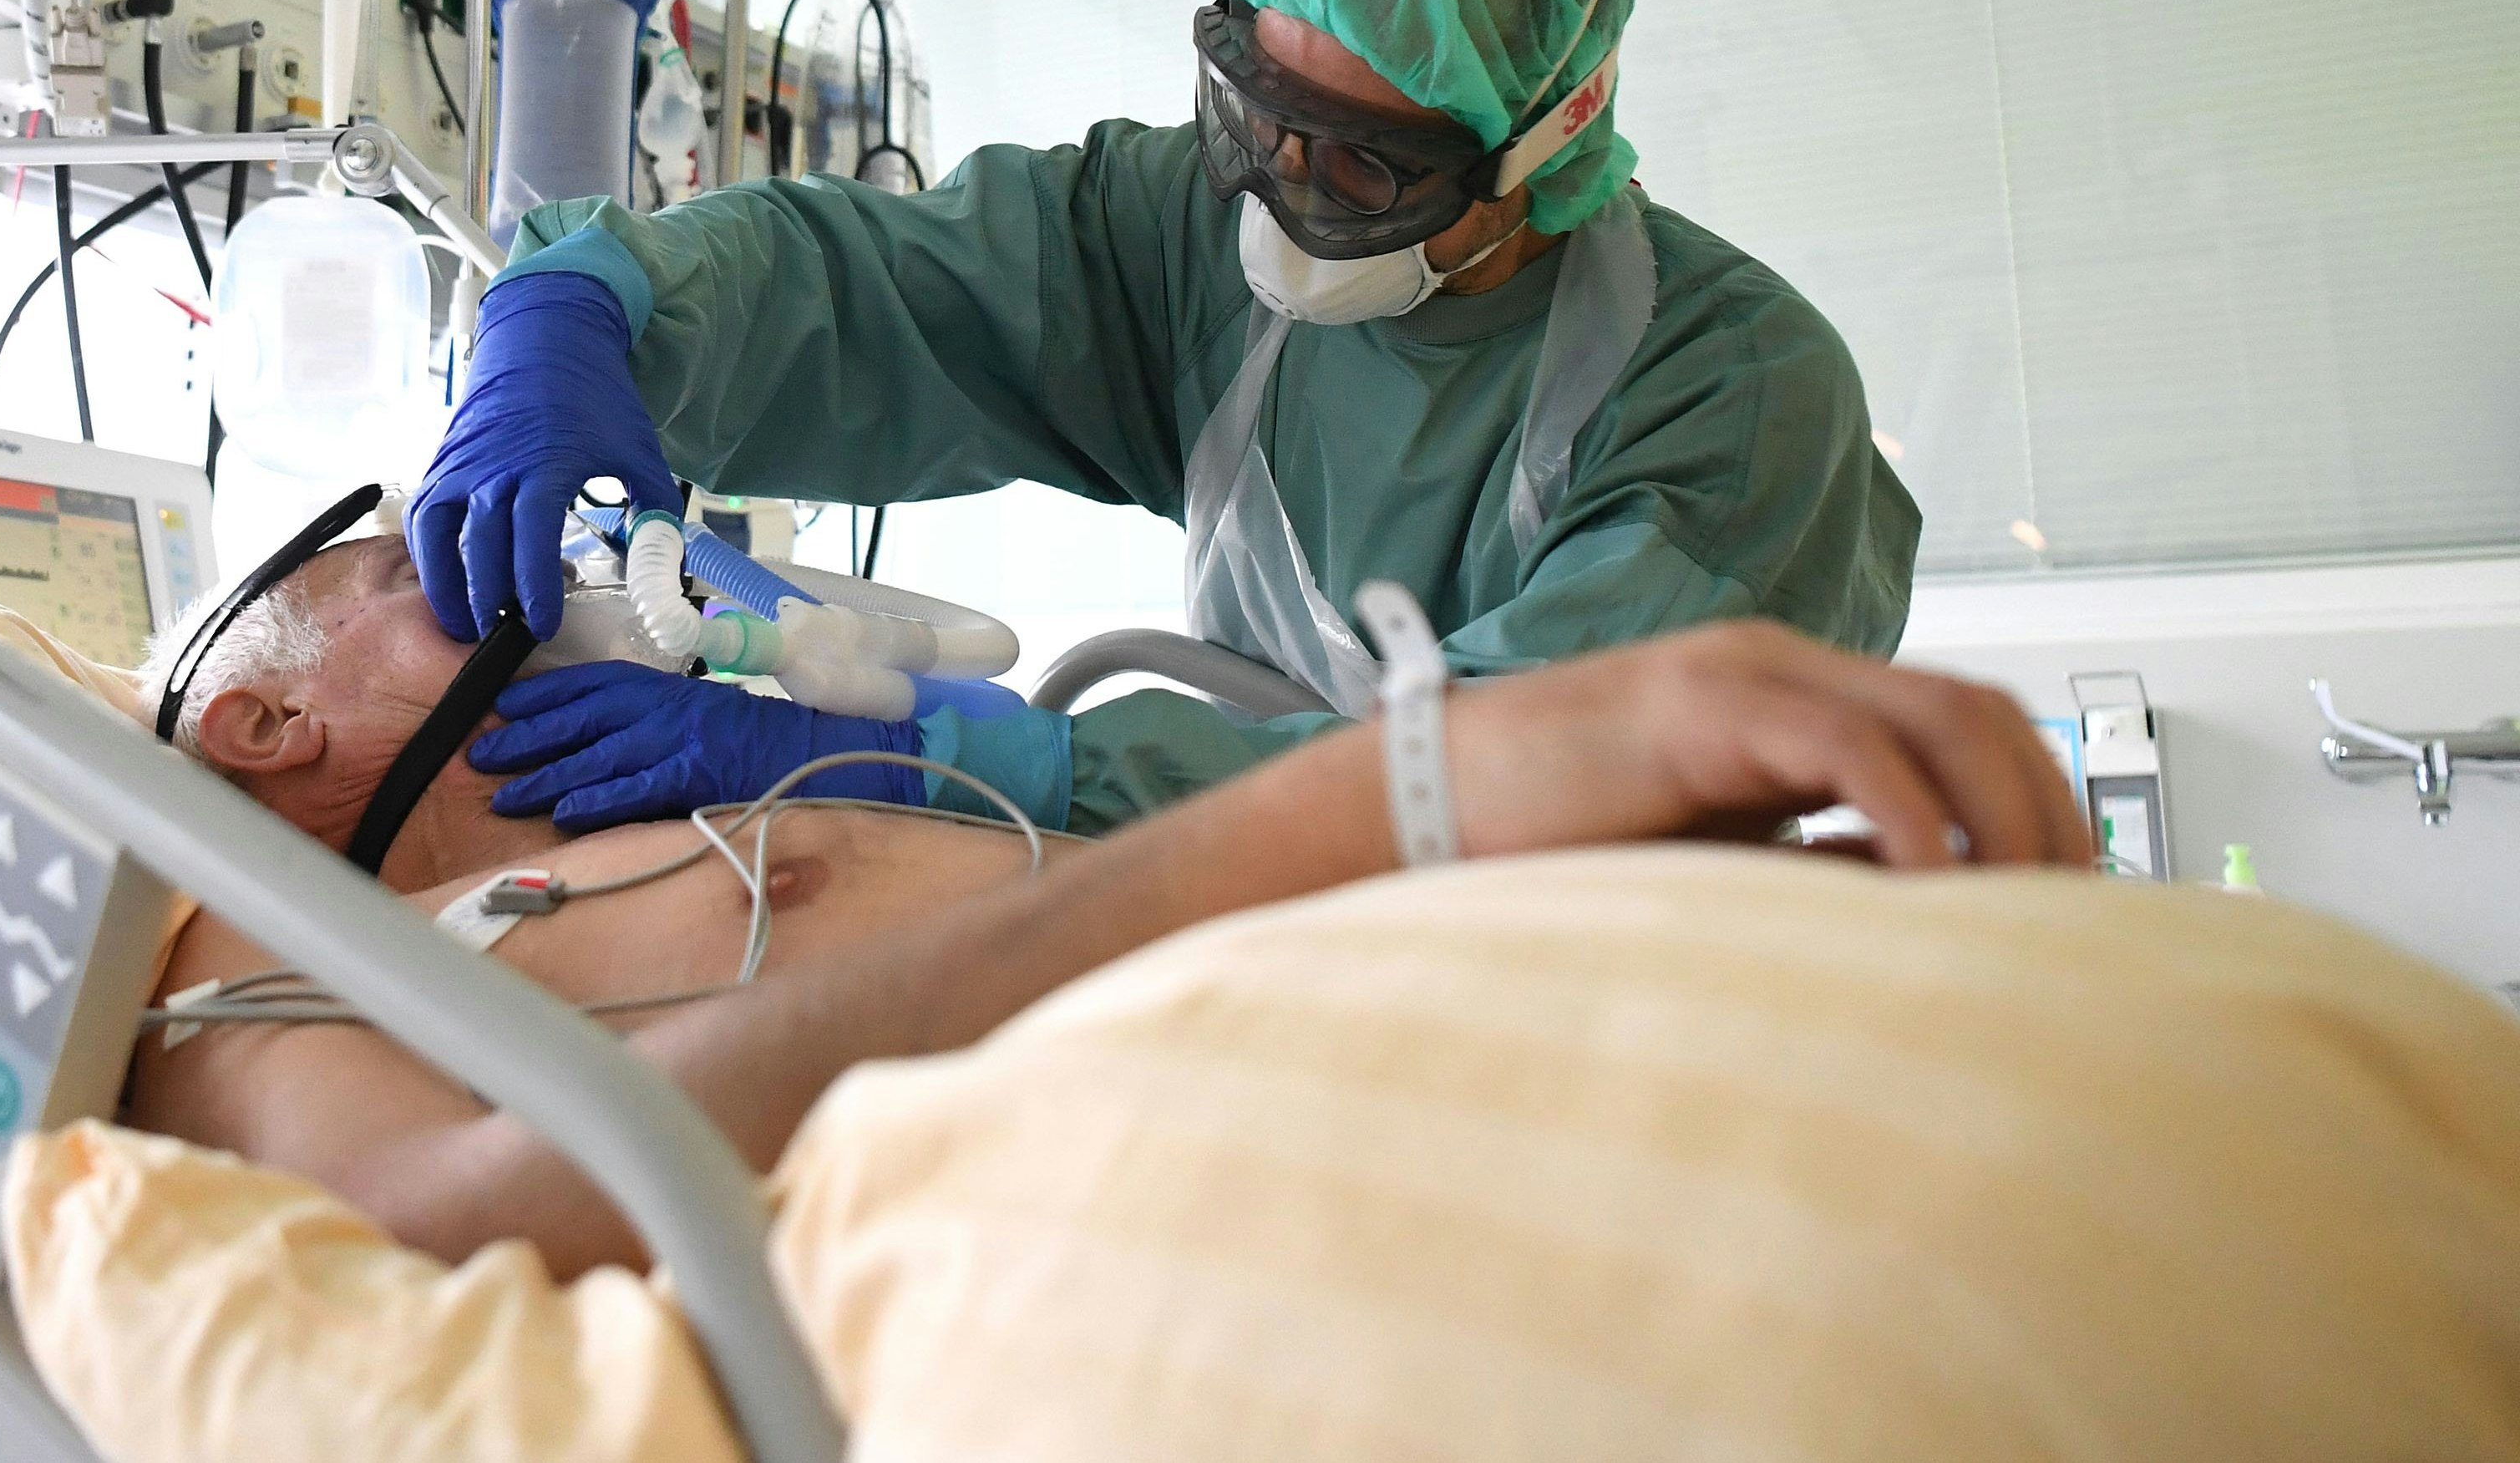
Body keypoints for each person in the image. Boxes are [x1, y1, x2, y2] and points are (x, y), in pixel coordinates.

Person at [407, 0, 1920, 840]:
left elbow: (1542, 767)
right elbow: (888, 288)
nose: (1281, 195)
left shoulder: (1736, 394)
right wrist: (585, 305)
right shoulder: (1191, 230)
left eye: (1366, 169)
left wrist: (991, 764)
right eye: (1256, 116)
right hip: (1224, 914)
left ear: (1543, 141)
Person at [124, 526, 2084, 1278]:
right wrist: (1379, 804)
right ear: (261, 722)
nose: (521, 580)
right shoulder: (230, 942)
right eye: (427, 572)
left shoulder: (606, 839)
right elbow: (416, 1227)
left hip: (1442, 1021)